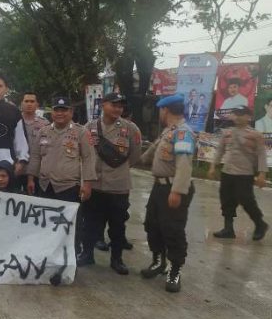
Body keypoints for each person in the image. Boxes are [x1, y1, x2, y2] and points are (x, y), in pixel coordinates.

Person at [79, 93, 142, 275]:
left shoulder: (130, 129)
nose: (117, 109)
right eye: (114, 105)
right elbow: (83, 155)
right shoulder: (89, 127)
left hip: (118, 186)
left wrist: (119, 170)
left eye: (120, 106)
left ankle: (117, 259)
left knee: (117, 225)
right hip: (95, 184)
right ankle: (87, 254)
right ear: (103, 105)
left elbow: (135, 155)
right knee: (90, 223)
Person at [139, 94, 195, 293]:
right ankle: (158, 261)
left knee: (173, 230)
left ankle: (175, 270)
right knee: (152, 225)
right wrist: (139, 158)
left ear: (166, 110)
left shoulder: (183, 133)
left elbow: (184, 165)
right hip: (159, 187)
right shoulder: (169, 131)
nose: (159, 113)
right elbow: (152, 152)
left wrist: (177, 191)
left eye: (160, 110)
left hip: (173, 188)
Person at [26, 97, 96, 255]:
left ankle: (71, 256)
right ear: (52, 112)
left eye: (64, 110)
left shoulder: (81, 132)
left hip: (69, 187)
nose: (60, 113)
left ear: (71, 112)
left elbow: (88, 158)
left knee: (70, 225)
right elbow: (36, 156)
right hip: (45, 185)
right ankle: (46, 254)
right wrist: (31, 178)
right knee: (45, 222)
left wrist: (87, 184)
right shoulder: (43, 131)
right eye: (56, 110)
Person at [208, 105, 269, 241]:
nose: (237, 117)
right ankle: (228, 229)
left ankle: (260, 224)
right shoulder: (227, 132)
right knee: (226, 200)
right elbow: (220, 151)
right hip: (227, 172)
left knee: (247, 200)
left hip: (244, 174)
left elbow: (261, 155)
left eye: (241, 114)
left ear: (248, 117)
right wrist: (213, 166)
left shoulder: (255, 135)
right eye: (235, 114)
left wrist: (262, 173)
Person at [19, 92, 49, 194]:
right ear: (21, 104)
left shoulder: (44, 124)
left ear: (37, 104)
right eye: (26, 101)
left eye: (32, 101)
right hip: (17, 169)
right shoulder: (14, 121)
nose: (29, 104)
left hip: (37, 171)